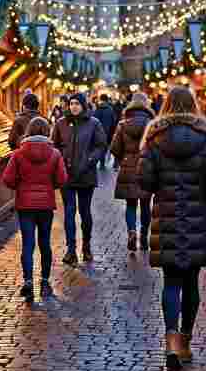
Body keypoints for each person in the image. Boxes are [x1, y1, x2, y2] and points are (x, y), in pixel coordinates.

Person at [140, 86, 206, 371]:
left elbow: (145, 182)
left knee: (171, 282)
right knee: (191, 283)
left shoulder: (154, 139)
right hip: (197, 220)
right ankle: (185, 342)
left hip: (167, 218)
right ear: (194, 106)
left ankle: (171, 341)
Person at [2, 116, 67, 301]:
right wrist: (49, 187)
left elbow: (7, 179)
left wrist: (20, 187)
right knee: (45, 243)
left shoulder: (18, 154)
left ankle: (28, 281)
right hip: (45, 205)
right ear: (47, 131)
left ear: (28, 131)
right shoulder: (55, 154)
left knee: (28, 244)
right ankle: (45, 282)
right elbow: (62, 179)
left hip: (25, 205)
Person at [51, 92, 107, 264]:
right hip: (66, 175)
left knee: (85, 212)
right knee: (69, 212)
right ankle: (71, 249)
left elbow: (101, 146)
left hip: (85, 174)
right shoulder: (61, 123)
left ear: (83, 105)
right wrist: (60, 160)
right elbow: (54, 145)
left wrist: (89, 161)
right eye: (71, 103)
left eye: (77, 103)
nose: (74, 106)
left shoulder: (93, 123)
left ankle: (86, 246)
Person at [110, 92, 155, 252]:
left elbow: (115, 148)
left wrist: (123, 158)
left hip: (128, 167)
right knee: (145, 204)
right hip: (146, 167)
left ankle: (131, 231)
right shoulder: (152, 125)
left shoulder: (123, 124)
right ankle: (144, 237)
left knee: (130, 204)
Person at [93, 95, 119, 169]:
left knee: (99, 147)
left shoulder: (97, 109)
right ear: (107, 100)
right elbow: (114, 122)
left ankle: (100, 162)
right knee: (106, 148)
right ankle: (105, 163)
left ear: (100, 99)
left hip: (98, 132)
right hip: (108, 132)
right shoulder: (110, 109)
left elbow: (93, 121)